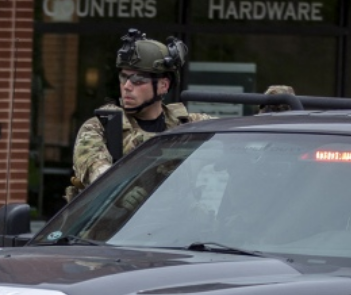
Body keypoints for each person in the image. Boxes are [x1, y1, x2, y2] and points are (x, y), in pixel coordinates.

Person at [67, 29, 294, 203]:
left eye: (138, 81)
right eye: (123, 78)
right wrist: (121, 191)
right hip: (109, 239)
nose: (127, 86)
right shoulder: (101, 128)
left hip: (173, 239)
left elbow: (241, 140)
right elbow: (100, 177)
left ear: (163, 85)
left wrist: (269, 114)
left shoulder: (189, 126)